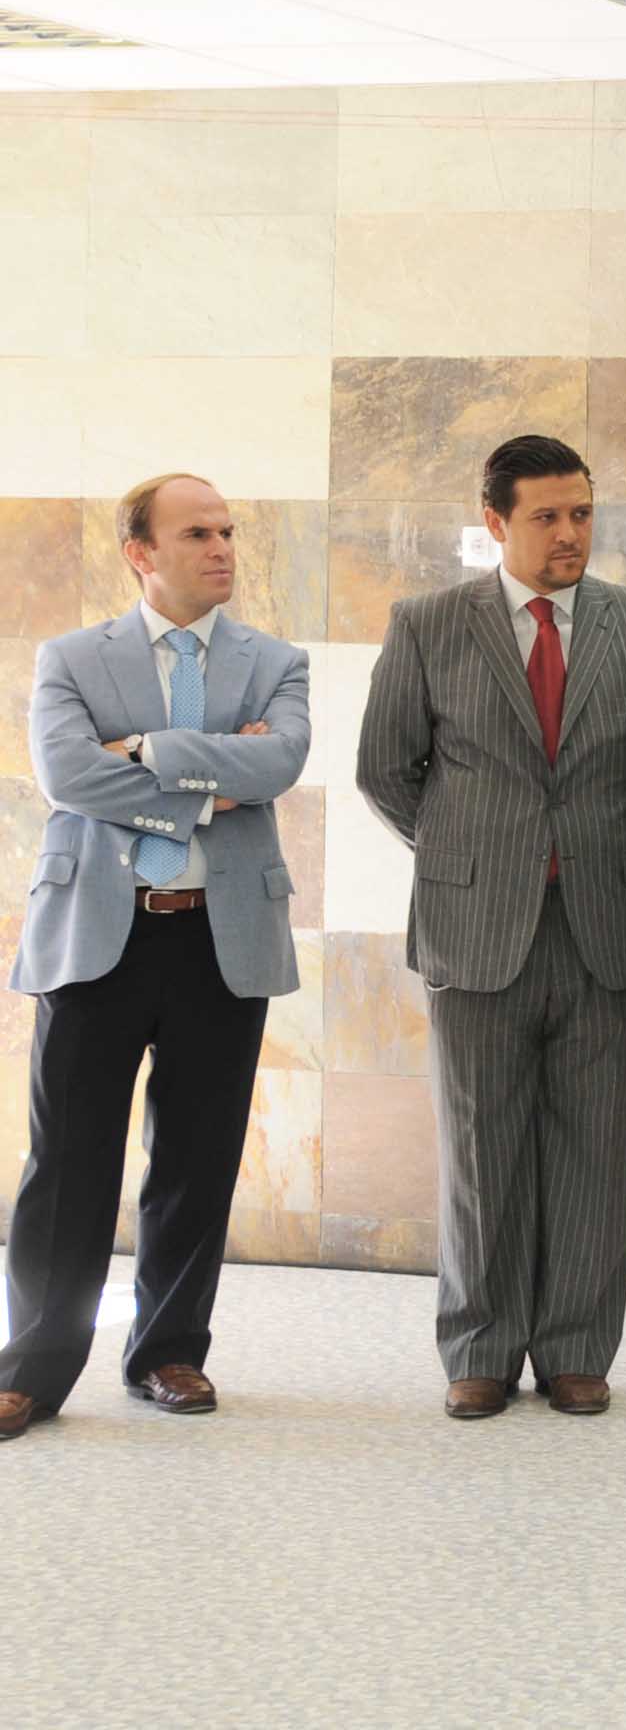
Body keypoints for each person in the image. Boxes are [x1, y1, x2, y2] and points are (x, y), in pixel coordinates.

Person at [354, 435, 626, 1421]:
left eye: (581, 513)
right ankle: (480, 1348)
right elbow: (385, 768)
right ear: (495, 522)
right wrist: (478, 856)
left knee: (598, 1146)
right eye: (547, 516)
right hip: (475, 928)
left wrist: (600, 847)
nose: (569, 534)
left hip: (605, 921)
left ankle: (578, 1351)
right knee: (481, 1146)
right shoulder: (428, 624)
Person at [2, 474, 308, 1442]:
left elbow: (279, 763)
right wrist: (210, 780)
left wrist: (137, 751)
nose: (222, 548)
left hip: (221, 939)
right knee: (67, 1162)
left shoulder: (275, 663)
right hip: (97, 935)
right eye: (197, 533)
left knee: (197, 1158)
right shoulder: (71, 659)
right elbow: (67, 776)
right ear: (141, 552)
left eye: (228, 531)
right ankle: (33, 1367)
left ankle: (169, 1354)